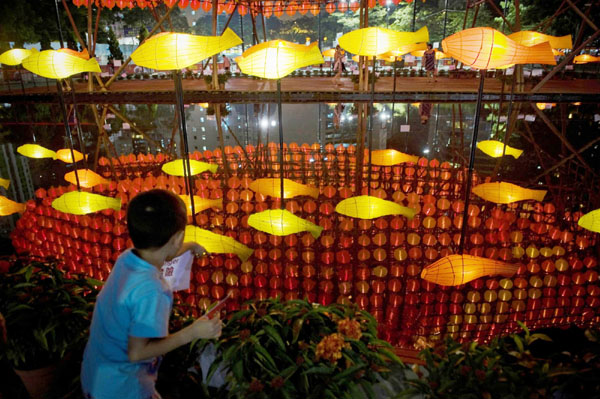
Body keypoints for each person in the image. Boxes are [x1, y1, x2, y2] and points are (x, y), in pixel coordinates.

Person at [81, 189, 222, 399]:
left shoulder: (127, 257)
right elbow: (137, 352)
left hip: (97, 373)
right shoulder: (152, 290)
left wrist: (189, 247)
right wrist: (193, 332)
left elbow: (160, 250)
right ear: (177, 237)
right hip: (122, 388)